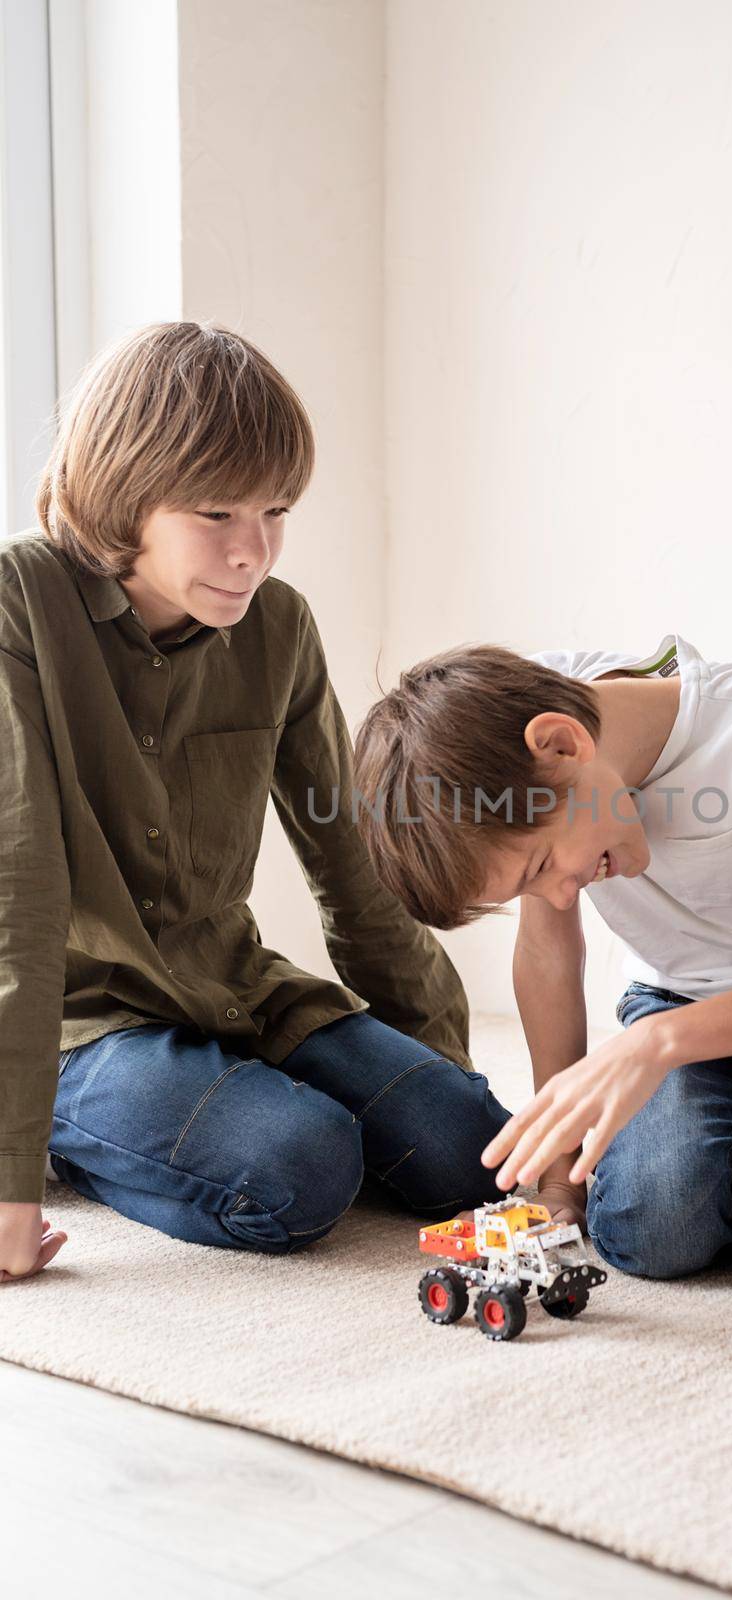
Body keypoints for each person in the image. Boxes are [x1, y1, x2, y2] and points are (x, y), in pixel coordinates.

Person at [0, 321, 511, 1287]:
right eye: (218, 515)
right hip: (78, 1020)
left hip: (229, 985)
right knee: (299, 1173)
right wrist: (6, 1189)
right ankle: (77, 1140)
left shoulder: (279, 626)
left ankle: (220, 1104)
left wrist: (434, 1074)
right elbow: (17, 891)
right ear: (126, 497)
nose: (255, 552)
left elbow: (348, 859)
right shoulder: (16, 601)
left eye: (276, 511)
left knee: (467, 1155)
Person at [351, 634, 732, 1288]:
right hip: (678, 1000)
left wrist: (655, 1044)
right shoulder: (528, 738)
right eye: (527, 888)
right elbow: (549, 951)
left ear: (563, 744)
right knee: (647, 1234)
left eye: (543, 866)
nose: (557, 894)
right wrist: (560, 1179)